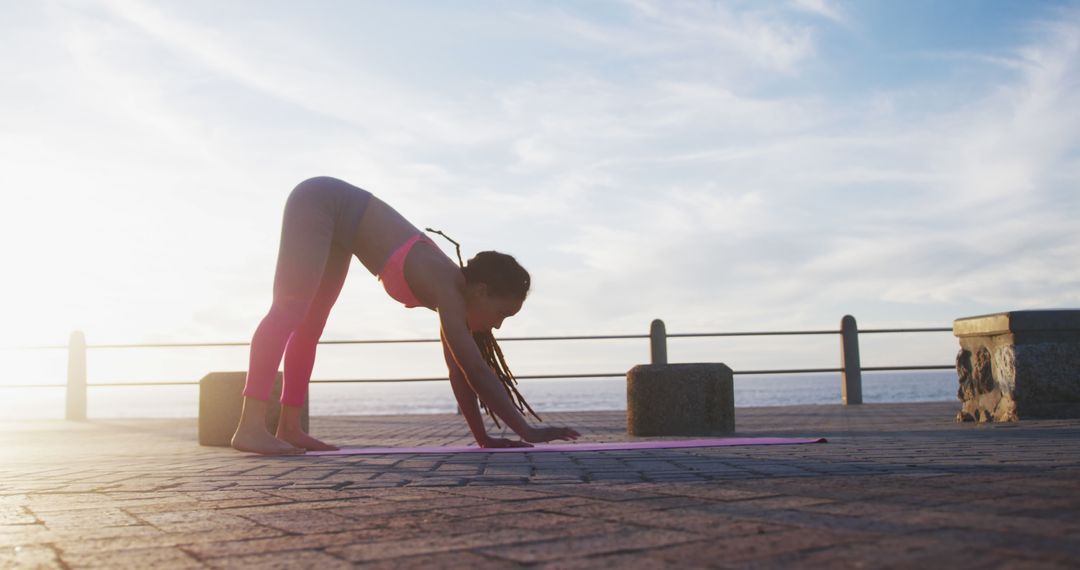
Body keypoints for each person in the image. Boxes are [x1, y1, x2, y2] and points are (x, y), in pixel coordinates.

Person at [230, 176, 581, 455]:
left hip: (340, 229)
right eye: (503, 314)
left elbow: (459, 371)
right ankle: (249, 427)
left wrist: (483, 438)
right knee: (290, 308)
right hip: (320, 200)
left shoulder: (451, 298)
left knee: (309, 329)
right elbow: (474, 368)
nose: (498, 325)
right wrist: (526, 429)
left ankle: (289, 428)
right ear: (482, 291)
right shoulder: (446, 288)